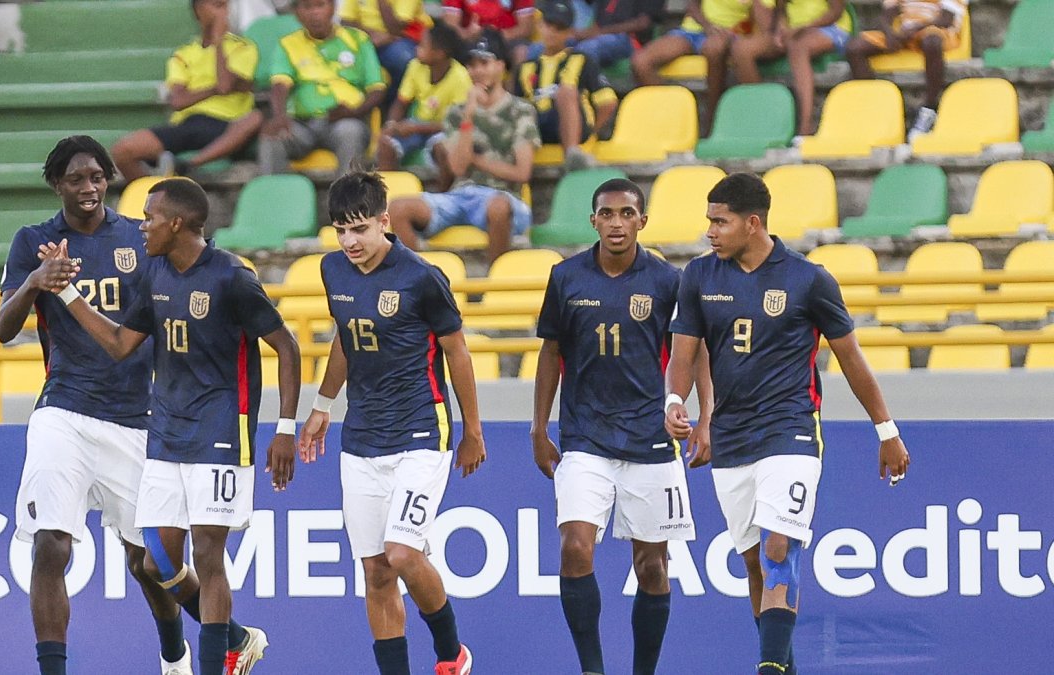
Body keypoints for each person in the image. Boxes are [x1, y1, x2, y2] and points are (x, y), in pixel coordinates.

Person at [0, 138, 271, 675]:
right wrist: (33, 283)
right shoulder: (34, 242)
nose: (90, 187)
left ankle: (182, 652)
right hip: (64, 408)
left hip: (136, 415)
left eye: (98, 176)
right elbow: (4, 330)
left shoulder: (138, 238)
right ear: (57, 184)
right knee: (51, 546)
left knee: (152, 563)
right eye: (77, 179)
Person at [43, 177, 302, 675]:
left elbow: (286, 347)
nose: (142, 225)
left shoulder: (232, 277)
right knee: (154, 560)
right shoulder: (154, 272)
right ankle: (239, 639)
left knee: (208, 558)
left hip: (221, 433)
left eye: (150, 216)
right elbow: (121, 343)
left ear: (177, 223)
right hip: (164, 435)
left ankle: (214, 664)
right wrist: (69, 293)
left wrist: (285, 428)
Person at [664, 172, 911, 675]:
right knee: (755, 563)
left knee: (780, 547)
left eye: (720, 221)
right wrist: (675, 400)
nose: (709, 231)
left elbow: (851, 359)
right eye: (708, 220)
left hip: (791, 431)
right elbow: (684, 352)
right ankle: (781, 665)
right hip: (732, 438)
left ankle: (767, 669)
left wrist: (886, 431)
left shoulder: (808, 280)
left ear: (753, 224)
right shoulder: (699, 277)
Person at [298, 171, 485, 675]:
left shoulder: (422, 276)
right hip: (360, 439)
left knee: (401, 553)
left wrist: (473, 430)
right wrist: (321, 406)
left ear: (385, 221)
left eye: (358, 228)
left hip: (421, 433)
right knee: (376, 573)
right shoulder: (332, 271)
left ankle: (451, 653)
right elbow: (345, 337)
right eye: (340, 230)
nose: (349, 241)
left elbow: (457, 352)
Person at [531, 178, 711, 675]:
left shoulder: (667, 281)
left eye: (626, 214)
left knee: (652, 566)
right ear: (593, 221)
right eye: (606, 214)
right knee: (574, 547)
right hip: (585, 436)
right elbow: (551, 353)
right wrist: (538, 427)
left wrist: (706, 419)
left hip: (651, 441)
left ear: (642, 221)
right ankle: (592, 669)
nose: (616, 223)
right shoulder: (566, 277)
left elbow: (694, 353)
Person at [387, 29, 540, 262]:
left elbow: (521, 172)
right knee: (397, 208)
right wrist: (468, 116)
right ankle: (423, 281)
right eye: (472, 65)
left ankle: (494, 281)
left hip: (503, 196)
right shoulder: (457, 112)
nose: (477, 71)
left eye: (484, 63)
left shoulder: (521, 110)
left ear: (501, 65)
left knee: (497, 207)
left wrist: (477, 161)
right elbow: (458, 168)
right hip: (460, 195)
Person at [111, 0, 262, 180]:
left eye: (224, 6)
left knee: (255, 118)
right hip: (189, 124)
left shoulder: (243, 48)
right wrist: (214, 90)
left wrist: (219, 42)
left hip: (227, 124)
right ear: (198, 10)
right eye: (216, 6)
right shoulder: (184, 54)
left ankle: (187, 165)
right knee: (123, 150)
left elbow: (225, 84)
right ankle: (153, 195)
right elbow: (178, 101)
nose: (223, 13)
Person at [260, 0, 386, 174]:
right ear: (297, 13)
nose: (314, 13)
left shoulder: (358, 39)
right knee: (273, 136)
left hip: (343, 121)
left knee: (350, 132)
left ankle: (347, 200)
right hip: (302, 124)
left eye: (320, 5)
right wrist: (280, 117)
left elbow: (377, 89)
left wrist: (354, 112)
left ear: (333, 7)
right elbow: (279, 86)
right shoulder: (288, 44)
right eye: (307, 7)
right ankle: (274, 197)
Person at [629, 0, 765, 133]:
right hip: (692, 31)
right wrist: (708, 27)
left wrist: (735, 32)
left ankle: (712, 121)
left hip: (730, 34)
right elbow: (692, 5)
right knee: (641, 62)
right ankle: (673, 121)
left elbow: (760, 21)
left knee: (713, 49)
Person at [514, 0, 618, 170]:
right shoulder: (526, 67)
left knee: (566, 91)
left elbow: (608, 103)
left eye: (560, 28)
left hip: (572, 122)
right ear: (540, 25)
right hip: (538, 125)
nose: (552, 32)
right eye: (549, 25)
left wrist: (591, 134)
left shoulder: (583, 60)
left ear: (569, 32)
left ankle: (572, 154)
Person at [845, 0, 967, 141]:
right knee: (855, 48)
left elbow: (946, 19)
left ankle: (928, 109)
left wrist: (915, 29)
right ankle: (874, 108)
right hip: (904, 32)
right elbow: (887, 15)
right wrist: (889, 33)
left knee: (932, 41)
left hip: (937, 31)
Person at [727, 0, 849, 136]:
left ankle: (805, 127)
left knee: (798, 47)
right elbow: (778, 10)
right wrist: (781, 30)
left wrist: (804, 28)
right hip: (793, 32)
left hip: (829, 28)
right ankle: (763, 118)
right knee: (741, 50)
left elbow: (836, 12)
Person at [376, 22, 470, 171]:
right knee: (386, 145)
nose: (416, 48)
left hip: (444, 129)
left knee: (442, 150)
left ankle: (444, 193)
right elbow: (401, 103)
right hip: (418, 124)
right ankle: (388, 191)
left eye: (422, 45)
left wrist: (416, 128)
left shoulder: (461, 77)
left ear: (439, 53)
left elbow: (456, 123)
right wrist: (391, 125)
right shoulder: (415, 66)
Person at [338, 0, 432, 111]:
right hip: (365, 38)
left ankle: (394, 107)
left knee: (404, 59)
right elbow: (346, 21)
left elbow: (396, 28)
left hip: (397, 40)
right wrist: (370, 37)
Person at [571, 0, 662, 69]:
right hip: (602, 36)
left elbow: (642, 23)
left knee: (587, 48)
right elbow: (598, 21)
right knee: (565, 41)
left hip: (630, 40)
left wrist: (599, 32)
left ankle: (584, 88)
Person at [441, 0, 536, 65]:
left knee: (521, 52)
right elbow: (450, 27)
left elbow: (526, 28)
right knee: (444, 49)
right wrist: (468, 34)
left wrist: (497, 36)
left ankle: (513, 93)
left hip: (506, 39)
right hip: (470, 39)